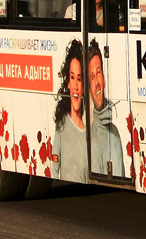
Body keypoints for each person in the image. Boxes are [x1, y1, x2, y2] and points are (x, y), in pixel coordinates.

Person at [87, 41, 124, 177]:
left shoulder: (115, 134)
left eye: (98, 73)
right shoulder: (90, 138)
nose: (97, 82)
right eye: (92, 77)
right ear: (88, 89)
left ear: (104, 78)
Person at [53, 40, 88, 182]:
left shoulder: (90, 129)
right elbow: (54, 170)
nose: (75, 86)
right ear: (68, 83)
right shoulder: (61, 126)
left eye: (79, 79)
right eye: (72, 78)